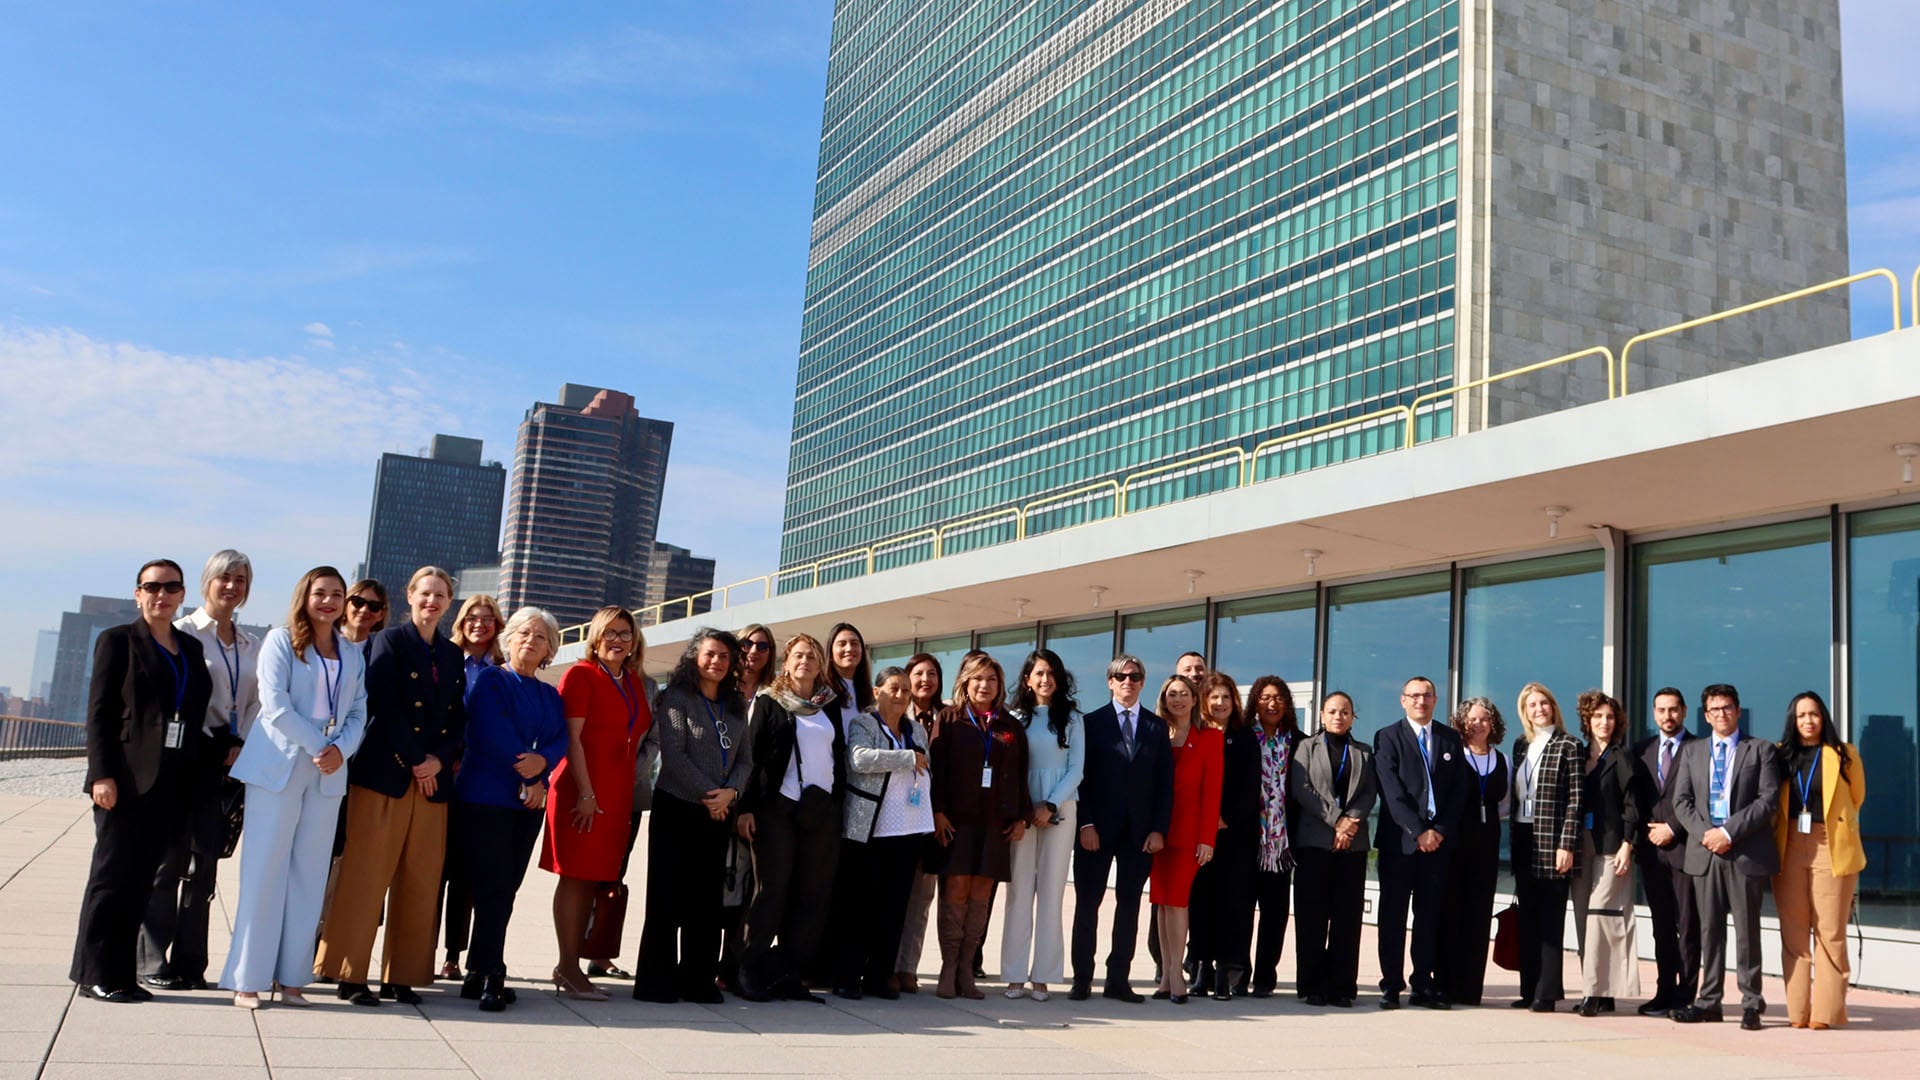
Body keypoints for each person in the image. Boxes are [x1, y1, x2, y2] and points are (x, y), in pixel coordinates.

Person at [316, 566, 466, 1006]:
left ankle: (402, 975)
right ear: (410, 596)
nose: (432, 601)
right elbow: (384, 703)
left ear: (448, 602)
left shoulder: (451, 653)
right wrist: (417, 759)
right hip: (387, 773)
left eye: (440, 595)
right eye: (425, 593)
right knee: (365, 876)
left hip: (432, 781)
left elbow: (459, 715)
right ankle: (350, 973)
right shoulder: (390, 642)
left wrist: (438, 759)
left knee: (420, 879)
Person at [222, 567, 368, 1009]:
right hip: (280, 767)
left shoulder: (351, 652)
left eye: (337, 594)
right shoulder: (281, 642)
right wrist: (321, 745)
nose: (328, 601)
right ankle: (248, 978)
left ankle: (291, 978)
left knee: (309, 876)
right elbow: (274, 705)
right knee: (264, 873)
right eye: (320, 593)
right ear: (304, 596)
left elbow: (360, 711)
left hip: (326, 774)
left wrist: (341, 750)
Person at [71, 559, 215, 1003]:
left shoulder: (189, 650)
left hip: (172, 782)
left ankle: (123, 973)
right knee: (111, 877)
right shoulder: (118, 641)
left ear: (182, 594)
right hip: (126, 778)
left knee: (142, 882)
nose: (162, 595)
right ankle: (94, 973)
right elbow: (99, 714)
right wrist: (101, 774)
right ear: (138, 593)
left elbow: (193, 716)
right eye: (152, 587)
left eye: (171, 587)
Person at [141, 549, 258, 992]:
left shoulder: (249, 644)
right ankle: (151, 959)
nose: (232, 586)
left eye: (241, 579)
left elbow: (255, 702)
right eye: (224, 577)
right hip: (184, 759)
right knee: (167, 862)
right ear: (207, 581)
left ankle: (192, 963)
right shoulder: (183, 633)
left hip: (228, 763)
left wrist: (239, 743)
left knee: (205, 867)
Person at [453, 606, 567, 1011]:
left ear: (550, 649)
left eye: (540, 637)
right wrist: (532, 774)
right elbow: (491, 733)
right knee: (491, 887)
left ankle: (476, 970)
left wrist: (544, 766)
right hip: (486, 798)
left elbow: (560, 739)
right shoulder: (490, 681)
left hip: (527, 805)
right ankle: (491, 972)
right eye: (523, 633)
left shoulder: (549, 694)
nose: (530, 641)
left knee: (507, 888)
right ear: (509, 638)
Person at [635, 630, 752, 1004]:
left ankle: (698, 980)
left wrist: (731, 793)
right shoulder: (676, 697)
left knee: (706, 902)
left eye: (724, 657)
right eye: (710, 654)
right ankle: (658, 982)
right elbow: (674, 755)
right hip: (677, 808)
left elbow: (746, 759)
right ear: (695, 656)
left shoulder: (735, 705)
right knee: (667, 898)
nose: (716, 662)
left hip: (717, 814)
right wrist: (711, 797)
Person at [541, 606, 649, 1002]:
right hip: (581, 792)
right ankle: (568, 967)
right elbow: (572, 738)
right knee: (574, 876)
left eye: (625, 633)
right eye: (610, 633)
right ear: (595, 638)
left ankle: (570, 965)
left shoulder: (633, 681)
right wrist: (586, 793)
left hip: (616, 794)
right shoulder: (581, 675)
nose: (618, 640)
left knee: (593, 877)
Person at [737, 632, 845, 1002]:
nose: (805, 662)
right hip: (777, 809)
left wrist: (837, 806)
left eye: (812, 657)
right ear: (787, 661)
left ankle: (789, 974)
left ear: (820, 665)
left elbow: (839, 756)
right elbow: (751, 758)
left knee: (811, 896)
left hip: (820, 813)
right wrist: (746, 807)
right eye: (798, 656)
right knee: (772, 891)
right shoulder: (771, 702)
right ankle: (749, 970)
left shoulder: (828, 704)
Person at [1670, 683, 1782, 1030]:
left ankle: (1751, 1002)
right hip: (1705, 851)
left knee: (1748, 931)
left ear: (1738, 710)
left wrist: (1729, 832)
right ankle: (1709, 1001)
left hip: (1743, 851)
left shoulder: (1760, 750)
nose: (1722, 714)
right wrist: (1708, 834)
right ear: (1705, 716)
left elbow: (1768, 800)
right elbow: (1681, 801)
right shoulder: (1691, 752)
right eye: (1715, 709)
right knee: (1709, 930)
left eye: (1727, 707)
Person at [1070, 654, 1171, 1003]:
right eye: (1120, 676)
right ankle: (1082, 978)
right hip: (1095, 831)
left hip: (1139, 835)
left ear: (1143, 682)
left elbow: (1164, 785)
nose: (1128, 681)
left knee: (1129, 906)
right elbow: (1079, 779)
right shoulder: (1090, 723)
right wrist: (1086, 823)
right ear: (1110, 681)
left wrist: (1158, 829)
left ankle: (1118, 981)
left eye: (1135, 676)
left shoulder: (1157, 727)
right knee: (1088, 905)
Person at [927, 653, 1029, 999]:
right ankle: (948, 967)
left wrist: (1022, 818)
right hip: (957, 822)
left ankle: (967, 969)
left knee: (981, 896)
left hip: (995, 824)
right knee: (955, 893)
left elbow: (1021, 773)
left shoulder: (1009, 726)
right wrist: (938, 812)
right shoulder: (950, 719)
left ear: (1000, 686)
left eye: (992, 680)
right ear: (965, 683)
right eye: (978, 679)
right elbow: (936, 771)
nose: (985, 685)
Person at [832, 666, 934, 999]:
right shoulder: (863, 723)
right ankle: (847, 976)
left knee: (894, 908)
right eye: (894, 688)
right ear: (877, 692)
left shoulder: (916, 730)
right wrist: (906, 758)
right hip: (870, 830)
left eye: (906, 690)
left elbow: (926, 766)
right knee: (859, 908)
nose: (902, 695)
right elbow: (859, 760)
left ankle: (879, 977)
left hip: (908, 829)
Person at [1771, 691, 1865, 1030]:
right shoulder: (1780, 756)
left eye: (1813, 714)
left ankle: (1826, 1013)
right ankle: (1797, 1012)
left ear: (1823, 717)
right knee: (1794, 934)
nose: (1808, 721)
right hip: (1790, 843)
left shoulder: (1844, 755)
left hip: (1830, 843)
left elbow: (1856, 798)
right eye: (1801, 716)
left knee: (1830, 932)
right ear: (1792, 721)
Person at [1373, 675, 1467, 1010]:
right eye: (1414, 696)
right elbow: (1392, 792)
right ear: (1403, 700)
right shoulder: (1387, 737)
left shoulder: (1450, 738)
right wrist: (1418, 830)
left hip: (1437, 845)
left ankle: (1422, 984)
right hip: (1400, 843)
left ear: (1435, 700)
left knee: (1428, 916)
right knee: (1393, 916)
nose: (1420, 701)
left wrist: (1438, 829)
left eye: (1426, 695)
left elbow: (1460, 792)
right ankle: (1391, 985)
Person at [1001, 649, 1084, 1002]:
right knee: (1019, 891)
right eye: (1038, 673)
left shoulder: (1073, 719)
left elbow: (1077, 768)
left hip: (1059, 811)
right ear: (1027, 679)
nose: (1045, 679)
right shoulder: (1014, 718)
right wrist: (1026, 810)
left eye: (1051, 673)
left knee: (1051, 892)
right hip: (1022, 813)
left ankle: (1044, 976)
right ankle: (1015, 975)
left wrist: (1050, 805)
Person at [1289, 692, 1377, 1007]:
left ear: (1353, 716)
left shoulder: (1364, 752)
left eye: (1345, 712)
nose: (1338, 716)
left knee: (1347, 917)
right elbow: (1302, 790)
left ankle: (1342, 986)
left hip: (1352, 845)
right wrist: (1337, 820)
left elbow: (1368, 793)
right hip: (1315, 842)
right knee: (1312, 916)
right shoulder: (1305, 748)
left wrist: (1350, 823)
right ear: (1322, 716)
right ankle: (1313, 985)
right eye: (1332, 711)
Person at [439, 593, 505, 982]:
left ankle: (453, 954)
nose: (479, 624)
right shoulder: (446, 659)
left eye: (488, 618)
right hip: (444, 768)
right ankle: (417, 950)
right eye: (472, 617)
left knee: (465, 872)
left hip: (482, 778)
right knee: (435, 869)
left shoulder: (500, 668)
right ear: (461, 621)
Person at [1510, 681, 1582, 1012]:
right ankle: (1528, 988)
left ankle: (1547, 992)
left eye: (1544, 703)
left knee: (1551, 919)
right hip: (1524, 838)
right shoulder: (1520, 746)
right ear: (1524, 712)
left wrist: (1567, 844)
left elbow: (1576, 801)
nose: (1538, 709)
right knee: (1529, 917)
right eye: (1531, 705)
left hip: (1554, 841)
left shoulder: (1569, 745)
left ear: (1553, 707)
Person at [1150, 675, 1221, 1004]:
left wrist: (1207, 838)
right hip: (1157, 832)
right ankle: (1166, 973)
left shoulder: (1210, 738)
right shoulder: (1155, 734)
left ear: (1195, 699)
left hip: (1189, 834)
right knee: (1162, 903)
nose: (1177, 699)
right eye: (1171, 694)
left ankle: (1178, 973)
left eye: (1184, 694)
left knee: (1178, 902)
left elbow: (1212, 793)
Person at [1572, 690, 1643, 1016]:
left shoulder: (1622, 757)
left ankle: (1593, 992)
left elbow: (1634, 806)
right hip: (1579, 844)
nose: (1604, 722)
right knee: (1586, 920)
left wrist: (1628, 845)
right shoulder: (1578, 754)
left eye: (1610, 717)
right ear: (1587, 720)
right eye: (1598, 716)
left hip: (1612, 846)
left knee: (1603, 918)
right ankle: (1605, 991)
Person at [1436, 696, 1509, 1006]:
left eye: (1484, 719)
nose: (1477, 724)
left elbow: (1505, 804)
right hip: (1455, 842)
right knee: (1451, 911)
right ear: (1461, 723)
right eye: (1472, 718)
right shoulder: (1454, 754)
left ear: (1493, 724)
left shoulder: (1502, 759)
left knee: (1479, 914)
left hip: (1487, 843)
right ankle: (1445, 983)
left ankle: (1470, 988)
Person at [1633, 687, 1700, 1017]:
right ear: (1653, 713)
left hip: (1686, 848)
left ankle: (1686, 994)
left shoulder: (1700, 748)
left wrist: (1673, 827)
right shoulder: (1641, 749)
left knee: (1688, 925)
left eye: (1673, 710)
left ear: (1684, 711)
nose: (1667, 716)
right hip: (1651, 854)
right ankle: (1663, 990)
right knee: (1661, 926)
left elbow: (1702, 798)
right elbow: (1637, 801)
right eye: (1661, 710)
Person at [718, 622, 776, 993]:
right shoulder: (721, 689)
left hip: (754, 806)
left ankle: (733, 966)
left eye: (763, 646)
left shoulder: (774, 696)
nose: (754, 651)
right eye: (747, 643)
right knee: (717, 888)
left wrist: (747, 807)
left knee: (746, 890)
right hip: (716, 800)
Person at [1237, 675, 1299, 999]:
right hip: (1248, 841)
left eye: (1278, 698)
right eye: (1265, 697)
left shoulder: (1300, 742)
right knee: (1243, 911)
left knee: (1275, 915)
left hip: (1282, 846)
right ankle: (1239, 973)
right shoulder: (1242, 738)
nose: (1272, 704)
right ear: (1255, 703)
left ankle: (1264, 977)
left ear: (1287, 703)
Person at [893, 652, 947, 993]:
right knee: (891, 895)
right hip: (895, 819)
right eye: (918, 673)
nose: (925, 680)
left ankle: (908, 966)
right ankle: (885, 964)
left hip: (931, 819)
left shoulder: (949, 718)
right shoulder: (894, 715)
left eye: (932, 674)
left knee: (921, 899)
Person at [341, 579, 389, 648]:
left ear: (381, 615)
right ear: (345, 605)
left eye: (374, 606)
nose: (364, 610)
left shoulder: (379, 655)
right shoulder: (323, 645)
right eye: (358, 602)